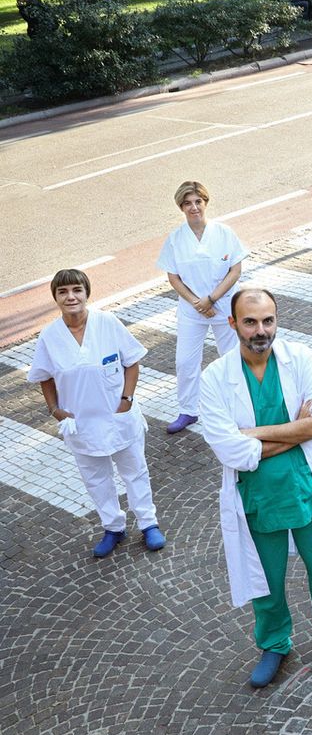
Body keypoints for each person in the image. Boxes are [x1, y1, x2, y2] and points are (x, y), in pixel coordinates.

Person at [200, 289, 312, 689]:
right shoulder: (215, 378)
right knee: (267, 578)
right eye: (250, 321)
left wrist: (256, 435)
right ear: (232, 324)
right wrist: (297, 432)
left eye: (268, 321)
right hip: (257, 497)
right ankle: (274, 643)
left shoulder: (301, 359)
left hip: (304, 485)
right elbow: (230, 449)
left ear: (277, 321)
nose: (260, 330)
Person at [28, 269, 165, 558]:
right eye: (63, 292)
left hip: (119, 418)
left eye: (76, 290)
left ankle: (148, 523)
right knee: (96, 480)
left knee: (135, 472)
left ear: (86, 293)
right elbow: (44, 377)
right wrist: (54, 409)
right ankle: (113, 527)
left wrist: (127, 399)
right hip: (81, 424)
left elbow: (132, 362)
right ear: (55, 297)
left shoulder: (108, 323)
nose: (71, 297)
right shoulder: (50, 336)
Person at [157, 180, 247, 434]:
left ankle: (236, 407)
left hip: (225, 308)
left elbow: (235, 269)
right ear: (181, 207)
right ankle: (188, 410)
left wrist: (211, 299)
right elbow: (173, 276)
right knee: (185, 361)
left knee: (232, 358)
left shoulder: (224, 233)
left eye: (198, 202)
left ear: (205, 203)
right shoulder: (175, 239)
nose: (194, 207)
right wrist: (197, 302)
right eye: (188, 203)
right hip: (191, 311)